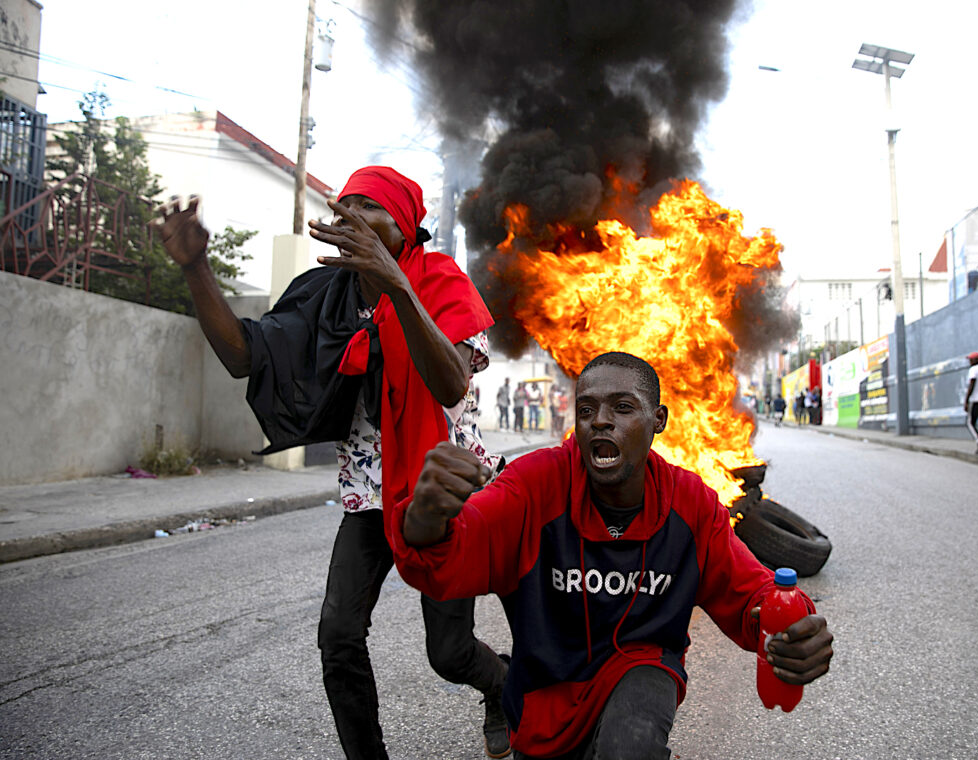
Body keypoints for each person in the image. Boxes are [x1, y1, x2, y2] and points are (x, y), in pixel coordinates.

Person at [150, 166, 512, 760]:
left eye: (368, 208)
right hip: (370, 495)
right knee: (338, 637)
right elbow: (245, 357)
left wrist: (397, 285)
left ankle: (502, 685)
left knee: (448, 654)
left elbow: (449, 383)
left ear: (405, 228)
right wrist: (196, 270)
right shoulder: (325, 294)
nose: (349, 217)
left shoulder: (439, 280)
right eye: (343, 206)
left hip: (440, 494)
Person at [392, 351, 833, 759]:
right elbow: (453, 551)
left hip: (643, 667)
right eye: (587, 410)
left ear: (658, 420)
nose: (600, 421)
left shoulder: (690, 502)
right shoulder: (535, 485)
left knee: (631, 746)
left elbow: (749, 590)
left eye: (623, 407)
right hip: (546, 698)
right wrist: (426, 519)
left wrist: (795, 628)